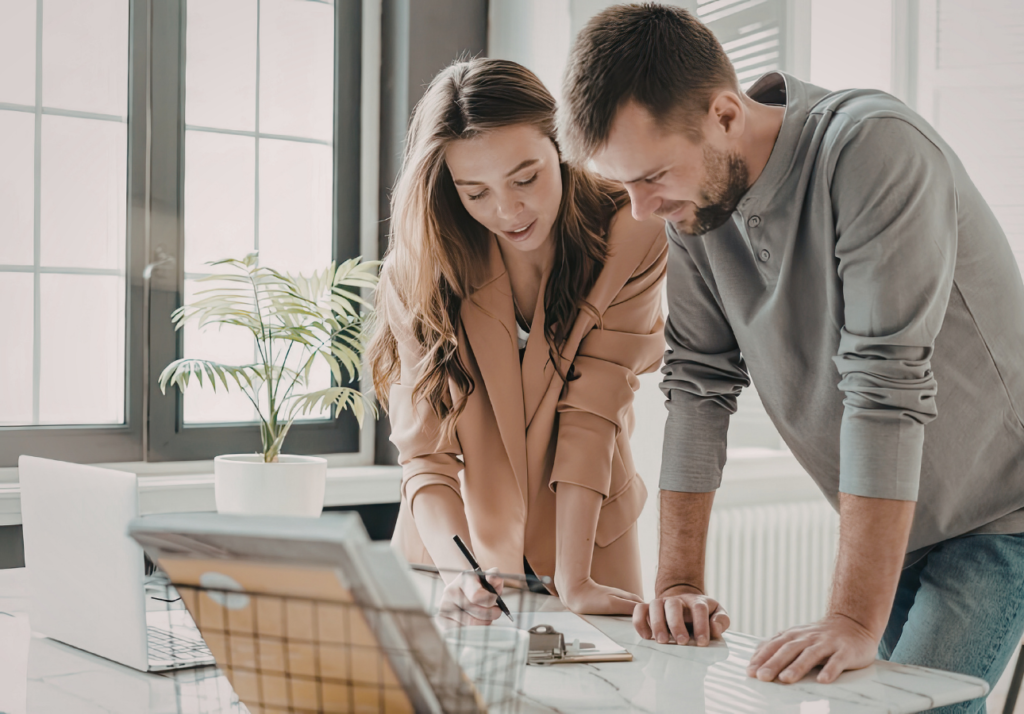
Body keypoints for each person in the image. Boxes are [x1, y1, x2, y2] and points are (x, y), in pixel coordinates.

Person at [557, 3, 1024, 709]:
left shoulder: (874, 148)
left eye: (651, 176)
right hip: (904, 520)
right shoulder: (695, 209)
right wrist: (678, 583)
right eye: (624, 186)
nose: (641, 210)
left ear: (723, 114)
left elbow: (884, 384)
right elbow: (698, 384)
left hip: (1000, 509)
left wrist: (851, 619)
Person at [368, 58, 667, 625]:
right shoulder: (420, 268)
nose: (507, 212)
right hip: (453, 554)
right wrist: (462, 575)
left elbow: (594, 410)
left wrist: (575, 579)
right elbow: (425, 457)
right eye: (475, 193)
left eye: (525, 178)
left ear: (562, 144)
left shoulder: (633, 229)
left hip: (588, 548)